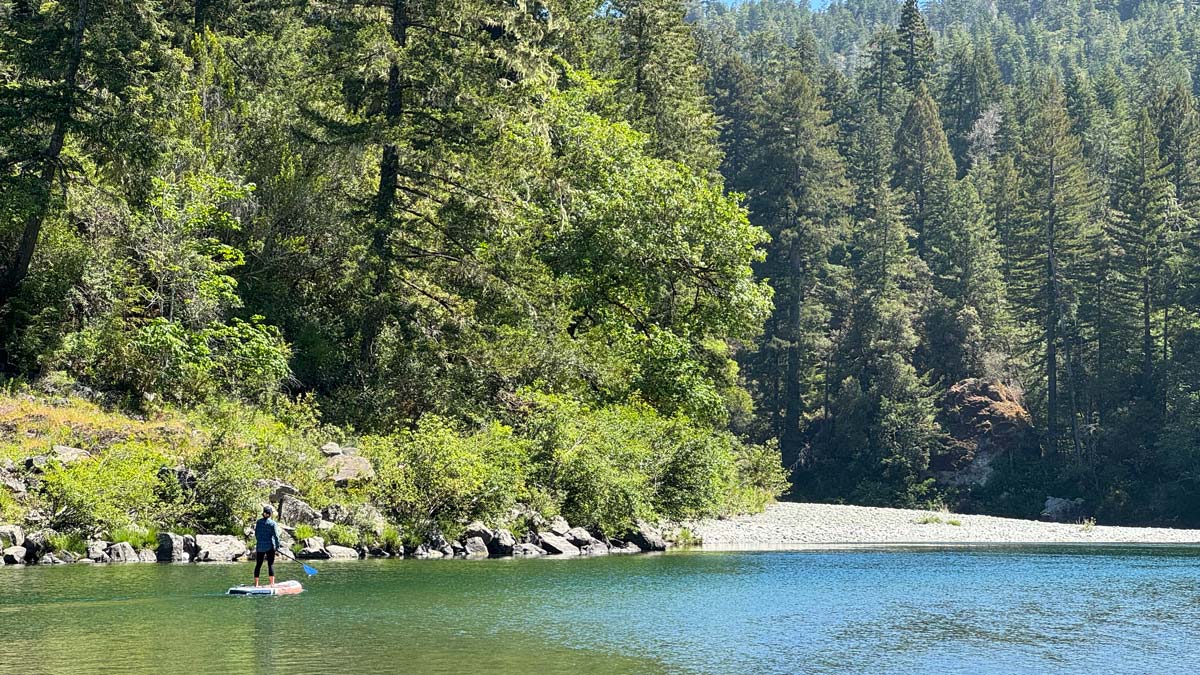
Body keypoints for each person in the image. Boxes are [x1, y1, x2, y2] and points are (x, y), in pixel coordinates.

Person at [253, 505, 282, 587]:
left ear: (264, 513)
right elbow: (276, 536)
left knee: (258, 565)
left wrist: (260, 541)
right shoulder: (273, 523)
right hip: (270, 546)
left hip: (260, 546)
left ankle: (256, 584)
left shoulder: (258, 522)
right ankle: (272, 584)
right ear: (270, 514)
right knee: (270, 564)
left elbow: (256, 534)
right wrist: (277, 546)